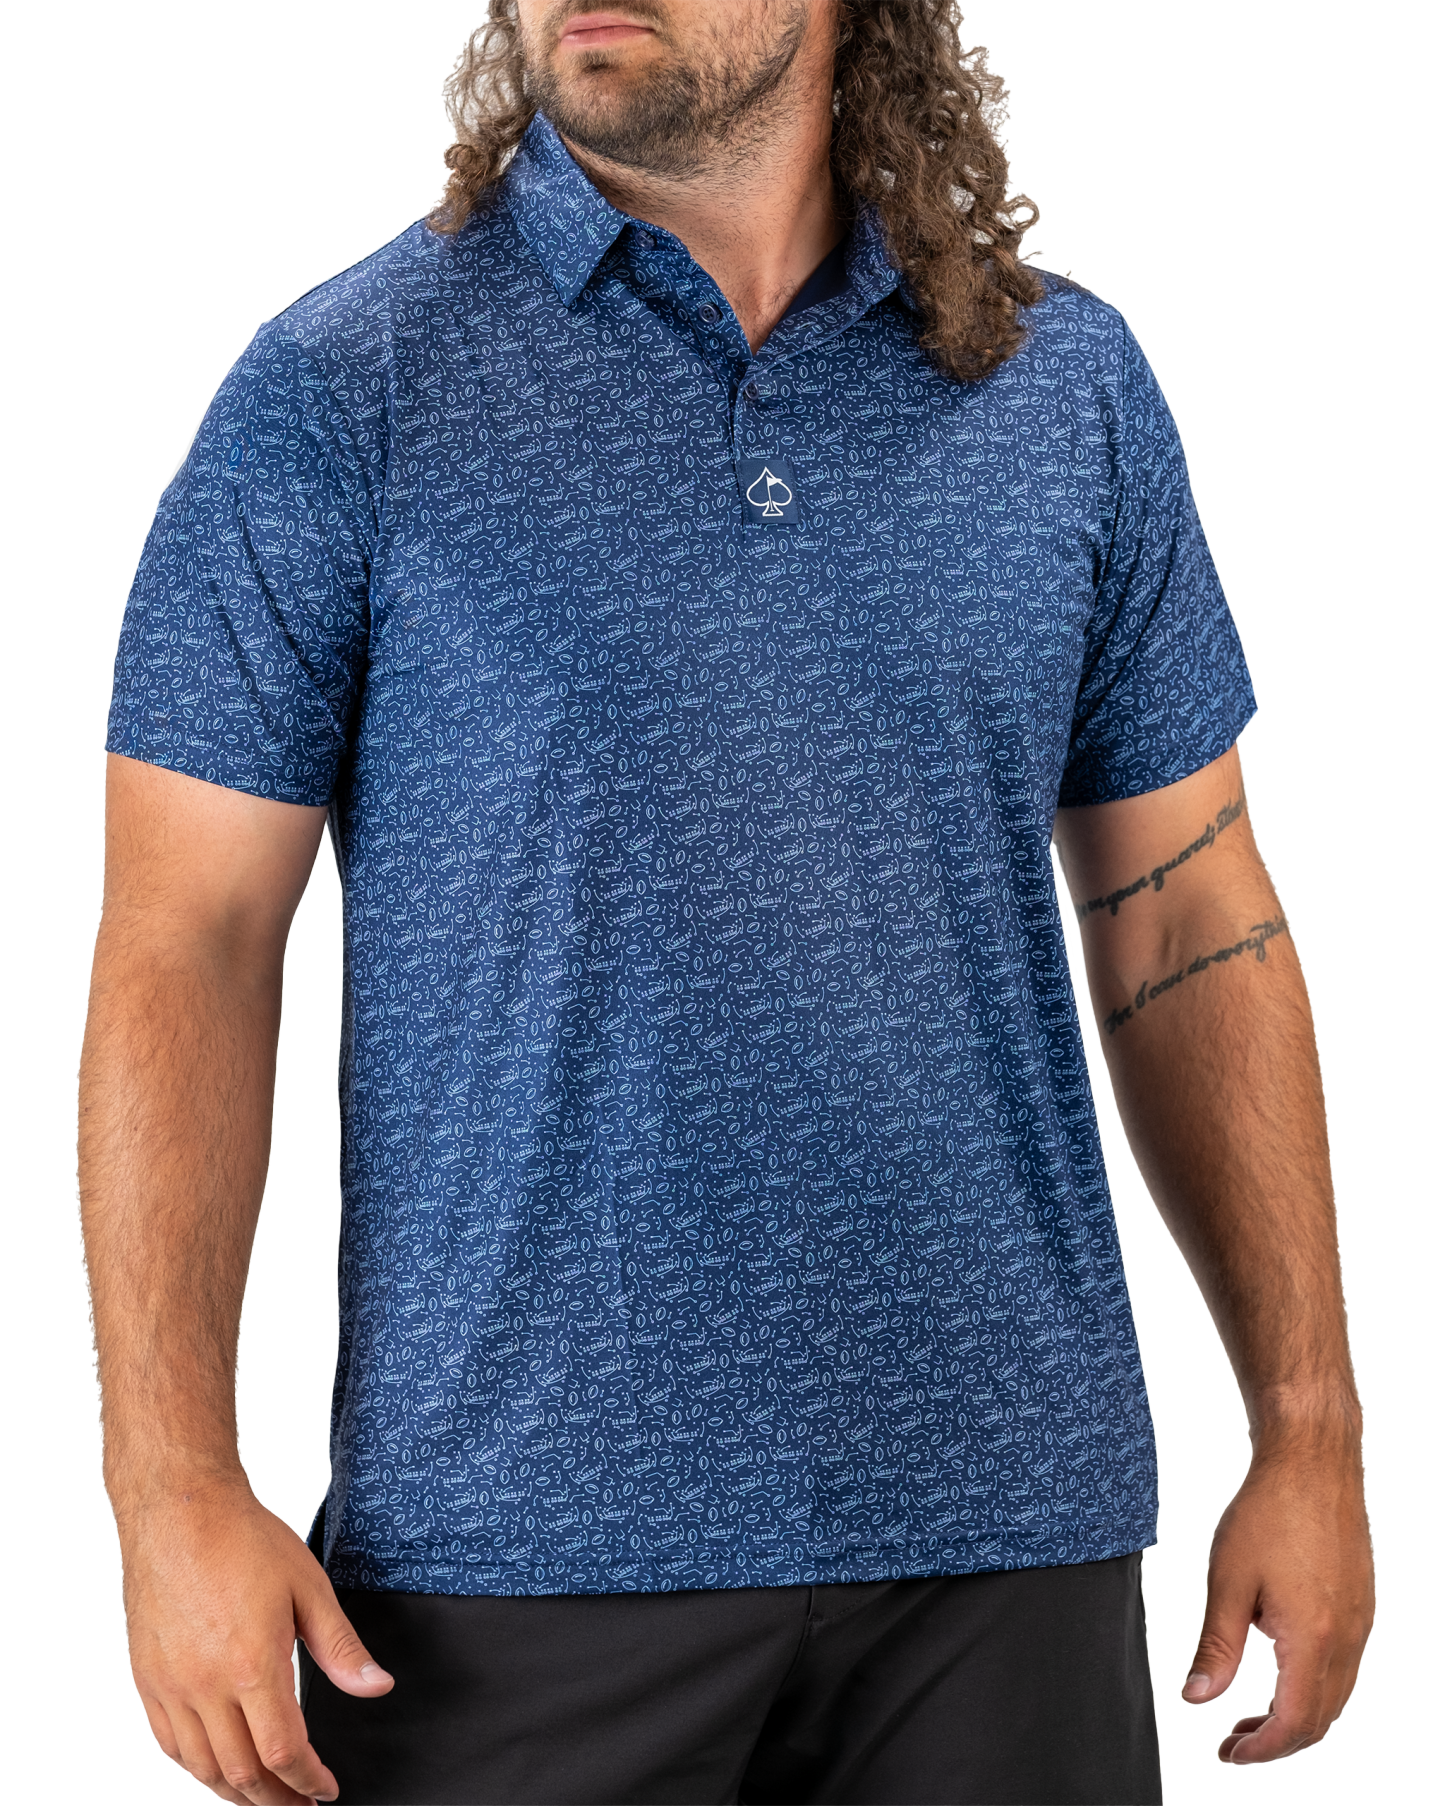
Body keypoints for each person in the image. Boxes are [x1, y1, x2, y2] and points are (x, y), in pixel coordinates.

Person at [79, 1, 1374, 1801]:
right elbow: (188, 941)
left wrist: (1309, 1424)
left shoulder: (1059, 385)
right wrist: (171, 1486)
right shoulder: (340, 390)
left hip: (1004, 1545)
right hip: (507, 1570)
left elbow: (1185, 910)